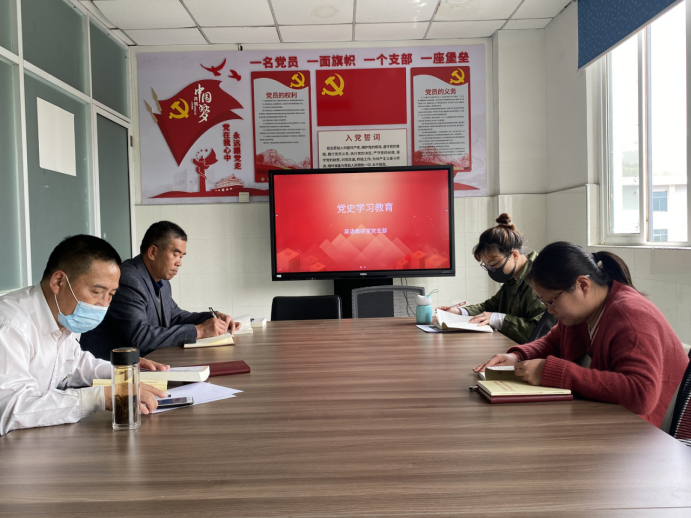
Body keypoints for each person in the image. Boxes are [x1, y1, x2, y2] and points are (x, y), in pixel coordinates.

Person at [473, 241, 689, 428]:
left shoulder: (630, 317)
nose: (549, 311)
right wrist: (518, 356)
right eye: (544, 302)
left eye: (551, 301)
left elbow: (641, 394)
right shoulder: (582, 313)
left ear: (582, 285)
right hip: (610, 420)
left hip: (647, 435)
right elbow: (553, 342)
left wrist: (556, 373)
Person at [0, 235, 169, 436]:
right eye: (97, 292)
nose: (104, 304)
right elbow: (11, 409)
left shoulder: (61, 315)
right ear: (59, 281)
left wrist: (122, 372)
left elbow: (74, 364)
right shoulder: (10, 325)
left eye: (111, 295)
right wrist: (101, 397)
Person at [80, 221, 240, 360]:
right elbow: (140, 338)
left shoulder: (161, 281)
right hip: (109, 370)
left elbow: (174, 316)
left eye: (181, 257)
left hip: (147, 363)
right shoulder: (128, 280)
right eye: (175, 255)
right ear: (153, 252)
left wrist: (213, 318)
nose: (179, 263)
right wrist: (199, 331)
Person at [438, 213, 547, 344]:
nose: (491, 270)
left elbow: (540, 332)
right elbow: (490, 307)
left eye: (494, 264)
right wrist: (459, 311)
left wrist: (499, 319)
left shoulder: (539, 280)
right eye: (487, 266)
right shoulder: (513, 279)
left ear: (514, 255)